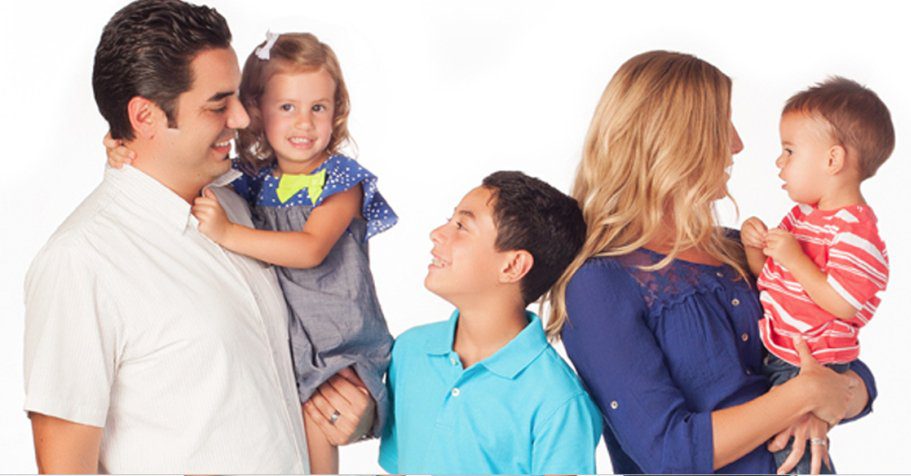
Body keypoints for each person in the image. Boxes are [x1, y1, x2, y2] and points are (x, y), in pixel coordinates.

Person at [24, 1, 373, 473]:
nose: (242, 120)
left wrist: (355, 412)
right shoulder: (81, 262)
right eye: (217, 105)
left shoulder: (239, 204)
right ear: (145, 117)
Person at [546, 51, 879, 474]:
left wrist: (834, 397)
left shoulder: (741, 251)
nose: (737, 143)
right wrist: (801, 396)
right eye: (722, 122)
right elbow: (669, 454)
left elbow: (843, 362)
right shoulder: (599, 284)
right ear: (674, 139)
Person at [105, 30, 396, 473]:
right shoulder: (250, 179)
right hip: (285, 341)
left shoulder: (341, 179)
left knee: (316, 421)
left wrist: (228, 233)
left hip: (337, 340)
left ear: (337, 111)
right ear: (257, 110)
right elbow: (179, 174)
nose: (304, 123)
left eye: (318, 107)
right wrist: (121, 149)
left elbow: (311, 248)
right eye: (287, 108)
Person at [378, 171, 602, 474]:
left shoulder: (559, 402)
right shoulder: (410, 351)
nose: (437, 233)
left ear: (512, 265)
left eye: (461, 226)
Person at [740, 77, 894, 473]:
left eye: (789, 151)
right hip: (781, 353)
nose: (779, 162)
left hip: (808, 362)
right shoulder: (803, 218)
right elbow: (770, 282)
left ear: (832, 160)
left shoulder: (857, 232)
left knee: (795, 456)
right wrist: (754, 249)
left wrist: (794, 259)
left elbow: (844, 304)